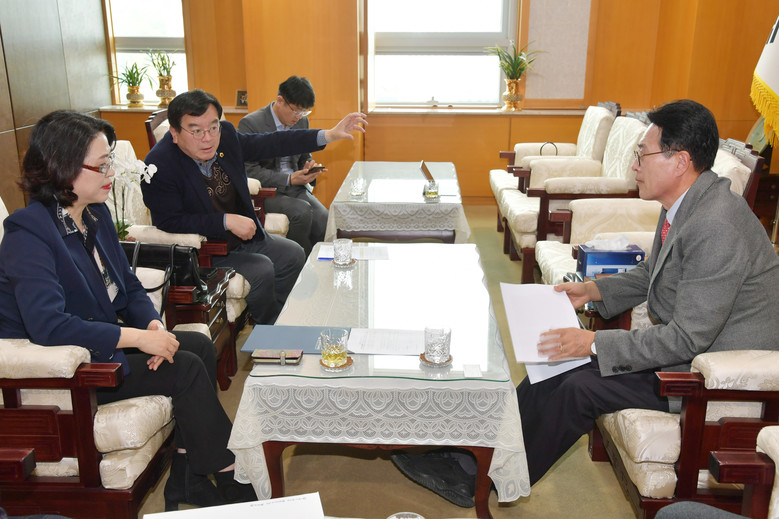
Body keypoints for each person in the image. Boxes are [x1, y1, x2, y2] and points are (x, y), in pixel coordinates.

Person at [390, 99, 779, 506]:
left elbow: (687, 339)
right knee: (552, 365)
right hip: (684, 356)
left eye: (642, 155)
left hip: (708, 377)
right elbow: (653, 273)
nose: (634, 166)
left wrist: (592, 343)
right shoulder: (686, 204)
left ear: (679, 161)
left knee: (580, 387)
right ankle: (473, 453)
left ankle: (486, 481)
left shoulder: (715, 225)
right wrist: (594, 290)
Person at [0, 110, 256, 511]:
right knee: (186, 367)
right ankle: (225, 472)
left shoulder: (95, 214)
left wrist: (152, 326)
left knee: (197, 345)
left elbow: (130, 286)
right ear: (63, 167)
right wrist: (137, 338)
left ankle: (187, 476)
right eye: (102, 165)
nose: (112, 173)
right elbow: (49, 326)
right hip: (70, 370)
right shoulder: (28, 233)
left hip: (101, 346)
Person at [143, 89, 366, 324]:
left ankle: (283, 320)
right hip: (205, 250)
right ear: (175, 132)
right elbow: (168, 220)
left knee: (293, 254)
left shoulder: (226, 135)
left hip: (243, 237)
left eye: (213, 127)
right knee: (262, 269)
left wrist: (327, 135)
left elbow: (271, 143)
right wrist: (225, 221)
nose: (207, 138)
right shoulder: (159, 165)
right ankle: (268, 329)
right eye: (196, 131)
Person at [238, 76, 329, 256]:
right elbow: (249, 170)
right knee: (301, 212)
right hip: (267, 191)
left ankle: (318, 264)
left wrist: (308, 167)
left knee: (324, 219)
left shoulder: (301, 121)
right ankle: (301, 264)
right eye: (296, 111)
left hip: (295, 187)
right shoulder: (251, 124)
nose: (299, 117)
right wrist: (288, 179)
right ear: (280, 101)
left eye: (304, 112)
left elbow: (304, 155)